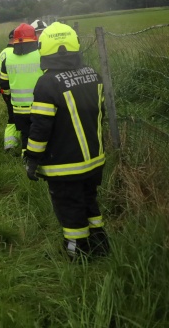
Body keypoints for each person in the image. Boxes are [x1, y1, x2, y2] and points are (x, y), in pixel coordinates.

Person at [24, 22, 109, 260]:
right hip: (94, 159)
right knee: (89, 199)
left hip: (64, 165)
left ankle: (77, 252)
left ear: (45, 48)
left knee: (69, 207)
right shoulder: (93, 74)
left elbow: (40, 127)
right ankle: (100, 242)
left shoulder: (47, 83)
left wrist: (32, 158)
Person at [0, 23, 43, 149]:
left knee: (25, 135)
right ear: (34, 39)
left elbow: (4, 84)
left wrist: (8, 97)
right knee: (42, 136)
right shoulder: (41, 55)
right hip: (40, 107)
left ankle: (26, 160)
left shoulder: (7, 58)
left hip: (18, 109)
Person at [0, 29, 21, 151]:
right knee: (19, 117)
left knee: (11, 117)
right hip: (17, 89)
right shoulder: (16, 53)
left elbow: (0, 75)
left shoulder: (2, 53)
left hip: (5, 90)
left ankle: (10, 144)